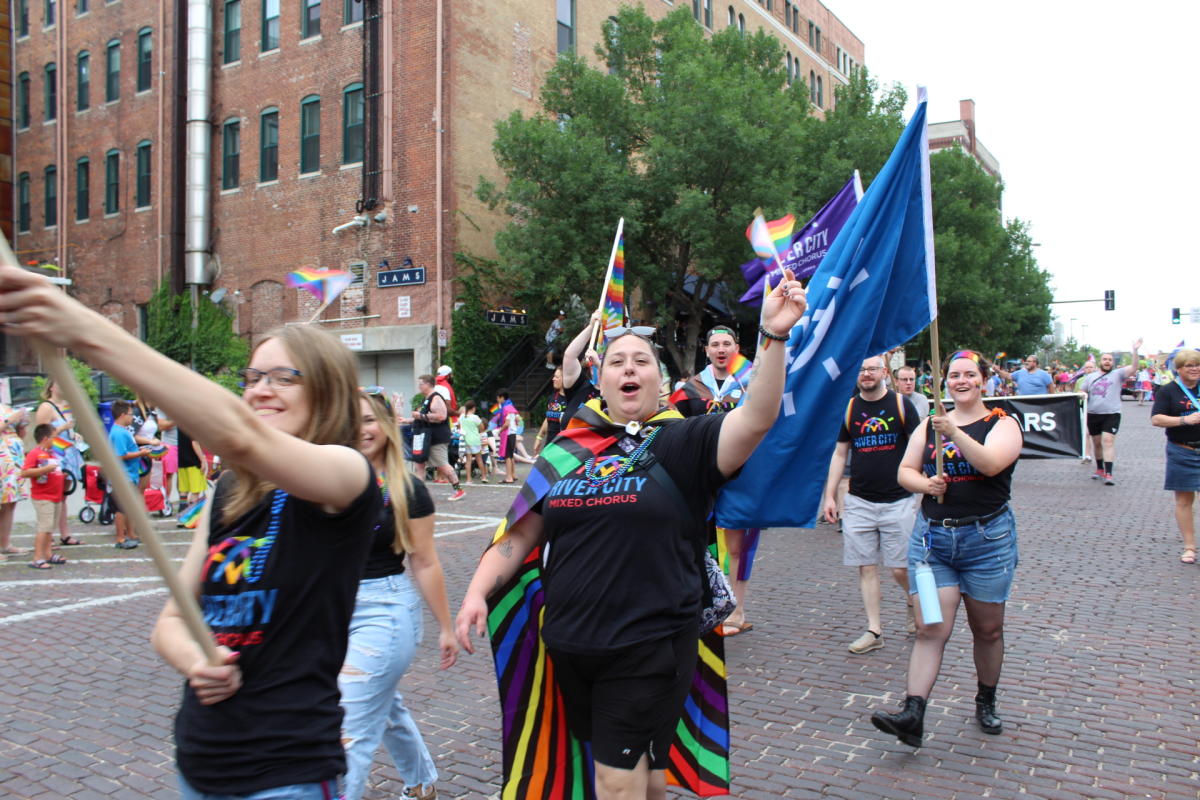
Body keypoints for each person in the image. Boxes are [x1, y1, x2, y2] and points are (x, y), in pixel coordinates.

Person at [455, 272, 806, 800]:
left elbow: (757, 417)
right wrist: (477, 592)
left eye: (642, 361)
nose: (629, 368)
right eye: (617, 361)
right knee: (643, 775)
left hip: (649, 643)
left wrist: (773, 337)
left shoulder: (683, 442)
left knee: (615, 784)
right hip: (571, 646)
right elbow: (521, 533)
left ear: (660, 382)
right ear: (600, 381)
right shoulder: (566, 451)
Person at [869, 350, 1023, 748]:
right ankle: (913, 712)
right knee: (931, 626)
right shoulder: (929, 425)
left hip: (987, 543)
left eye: (970, 374)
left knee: (987, 629)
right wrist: (926, 485)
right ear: (944, 382)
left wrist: (954, 433)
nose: (961, 381)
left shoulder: (1003, 423)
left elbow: (991, 465)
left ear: (983, 381)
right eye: (954, 375)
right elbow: (905, 472)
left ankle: (986, 698)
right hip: (933, 544)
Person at [340, 389, 458, 800]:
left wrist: (446, 627)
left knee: (346, 729)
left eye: (370, 419)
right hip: (329, 609)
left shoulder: (408, 489)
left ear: (389, 427)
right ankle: (423, 782)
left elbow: (424, 562)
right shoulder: (322, 478)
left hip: (383, 610)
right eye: (351, 419)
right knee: (383, 707)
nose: (361, 428)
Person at [823, 356, 920, 653]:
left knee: (900, 569)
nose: (866, 374)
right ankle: (874, 630)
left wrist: (921, 491)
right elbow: (840, 454)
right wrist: (829, 495)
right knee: (865, 567)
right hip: (859, 501)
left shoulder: (902, 406)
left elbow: (919, 447)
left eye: (872, 369)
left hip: (899, 500)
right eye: (861, 369)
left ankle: (912, 602)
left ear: (884, 374)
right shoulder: (850, 408)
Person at [670, 324, 758, 636]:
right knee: (697, 541)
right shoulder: (691, 388)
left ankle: (737, 610)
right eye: (715, 344)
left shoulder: (752, 383)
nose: (721, 349)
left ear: (736, 347)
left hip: (741, 476)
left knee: (738, 546)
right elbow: (668, 421)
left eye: (727, 343)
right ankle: (703, 603)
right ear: (706, 350)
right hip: (699, 476)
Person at [1150, 348, 1200, 565]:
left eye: (1197, 364)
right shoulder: (1168, 391)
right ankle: (1189, 547)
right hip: (1182, 450)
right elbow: (1156, 419)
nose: (1195, 369)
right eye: (1189, 365)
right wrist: (1184, 421)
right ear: (1179, 369)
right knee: (1184, 500)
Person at [1072, 339, 1141, 485]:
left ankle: (1109, 473)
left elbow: (1135, 366)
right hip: (1093, 414)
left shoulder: (1118, 374)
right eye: (1105, 359)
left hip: (1112, 413)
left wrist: (1135, 351)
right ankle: (1099, 469)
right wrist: (1080, 395)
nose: (1107, 361)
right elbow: (1081, 391)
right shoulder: (1090, 377)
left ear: (1112, 362)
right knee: (1097, 443)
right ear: (1100, 362)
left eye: (1110, 359)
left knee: (1108, 441)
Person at [34, 378, 86, 546]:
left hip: (68, 453)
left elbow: (69, 428)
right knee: (53, 496)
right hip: (55, 455)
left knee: (63, 496)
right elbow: (41, 435)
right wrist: (63, 429)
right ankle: (49, 535)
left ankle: (65, 534)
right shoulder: (46, 407)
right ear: (51, 387)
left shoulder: (66, 405)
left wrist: (75, 434)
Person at [402, 375, 464, 501]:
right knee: (419, 463)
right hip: (426, 437)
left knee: (442, 464)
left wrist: (420, 415)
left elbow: (441, 416)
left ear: (428, 384)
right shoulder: (427, 399)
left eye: (421, 384)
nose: (419, 386)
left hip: (437, 437)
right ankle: (419, 493)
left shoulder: (435, 398)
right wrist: (408, 420)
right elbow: (424, 418)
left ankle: (459, 490)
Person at [20, 423, 68, 569]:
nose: (56, 440)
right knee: (44, 527)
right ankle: (37, 557)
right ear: (45, 438)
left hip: (55, 496)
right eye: (54, 437)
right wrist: (45, 469)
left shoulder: (52, 453)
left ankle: (47, 554)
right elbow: (25, 472)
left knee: (50, 528)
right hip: (43, 497)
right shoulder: (35, 453)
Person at [107, 400, 153, 549]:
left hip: (130, 474)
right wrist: (141, 453)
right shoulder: (119, 433)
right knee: (121, 508)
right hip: (123, 475)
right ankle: (120, 538)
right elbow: (120, 455)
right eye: (130, 414)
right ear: (122, 415)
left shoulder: (122, 431)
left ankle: (131, 534)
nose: (132, 417)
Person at [0, 404, 30, 560]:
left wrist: (22, 422)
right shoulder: (8, 414)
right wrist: (10, 419)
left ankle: (5, 543)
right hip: (1, 458)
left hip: (14, 456)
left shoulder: (6, 407)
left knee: (11, 502)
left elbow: (21, 433)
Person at [533, 367, 567, 455]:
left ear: (565, 378)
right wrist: (539, 437)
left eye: (557, 377)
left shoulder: (572, 399)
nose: (553, 379)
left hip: (565, 446)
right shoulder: (552, 398)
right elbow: (548, 418)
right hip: (550, 444)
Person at [458, 400, 487, 483]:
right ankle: (484, 477)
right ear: (473, 408)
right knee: (479, 459)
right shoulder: (475, 417)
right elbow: (482, 427)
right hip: (475, 440)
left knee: (468, 460)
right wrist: (476, 431)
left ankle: (468, 479)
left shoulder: (462, 417)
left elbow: (460, 427)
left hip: (465, 440)